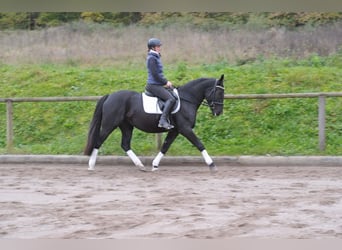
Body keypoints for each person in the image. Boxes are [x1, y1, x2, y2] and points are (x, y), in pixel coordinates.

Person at [145, 38, 176, 130]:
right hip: (153, 85)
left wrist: (165, 83)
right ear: (153, 48)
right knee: (171, 99)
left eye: (159, 46)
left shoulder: (155, 57)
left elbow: (158, 74)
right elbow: (155, 75)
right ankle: (162, 121)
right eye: (158, 46)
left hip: (157, 84)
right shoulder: (152, 58)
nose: (160, 48)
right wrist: (165, 82)